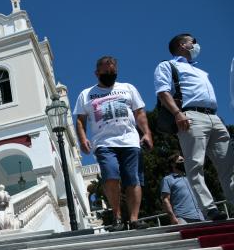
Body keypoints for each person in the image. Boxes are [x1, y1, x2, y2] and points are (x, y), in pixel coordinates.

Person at [155, 34, 234, 221]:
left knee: (229, 166)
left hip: (214, 117)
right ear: (182, 45)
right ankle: (209, 209)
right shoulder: (168, 65)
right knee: (195, 164)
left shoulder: (200, 71)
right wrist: (177, 113)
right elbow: (163, 92)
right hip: (190, 116)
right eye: (193, 41)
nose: (196, 45)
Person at [74, 56, 153, 231]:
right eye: (106, 71)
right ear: (97, 73)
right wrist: (82, 139)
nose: (110, 74)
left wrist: (147, 133)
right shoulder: (86, 94)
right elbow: (80, 120)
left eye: (113, 71)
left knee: (133, 179)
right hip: (103, 142)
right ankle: (117, 217)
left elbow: (139, 113)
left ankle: (134, 219)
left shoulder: (128, 88)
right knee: (110, 177)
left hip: (130, 140)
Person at [160, 153, 204, 225]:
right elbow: (165, 200)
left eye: (184, 160)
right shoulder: (167, 179)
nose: (184, 162)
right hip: (182, 217)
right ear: (173, 164)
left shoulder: (190, 177)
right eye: (181, 160)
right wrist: (172, 217)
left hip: (200, 216)